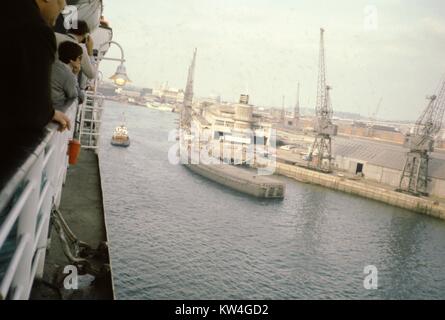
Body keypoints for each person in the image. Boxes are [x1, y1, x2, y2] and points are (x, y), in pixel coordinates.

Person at [2, 0, 71, 136]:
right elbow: (35, 111)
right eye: (60, 4)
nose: (62, 9)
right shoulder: (35, 30)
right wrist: (47, 113)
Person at [55, 20, 97, 85]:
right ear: (86, 35)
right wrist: (90, 52)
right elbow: (91, 74)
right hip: (63, 85)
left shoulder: (54, 36)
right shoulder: (80, 50)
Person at [51, 41, 85, 108]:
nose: (80, 61)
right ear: (71, 60)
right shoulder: (68, 75)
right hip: (55, 111)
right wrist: (75, 75)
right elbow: (80, 98)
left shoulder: (52, 64)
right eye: (80, 58)